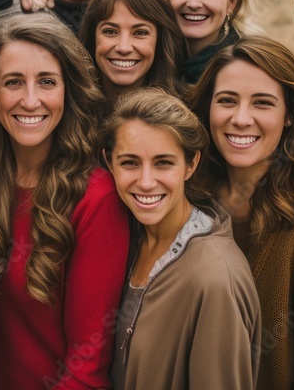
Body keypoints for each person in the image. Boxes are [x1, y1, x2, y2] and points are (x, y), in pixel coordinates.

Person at [185, 35, 294, 389]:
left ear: (288, 118)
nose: (240, 118)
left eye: (263, 103)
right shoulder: (185, 193)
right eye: (227, 101)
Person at [0, 13, 129, 389]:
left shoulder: (96, 200)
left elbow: (87, 367)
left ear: (68, 91)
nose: (31, 100)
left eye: (47, 82)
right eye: (13, 82)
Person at [103, 88, 261, 389]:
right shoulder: (127, 239)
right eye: (130, 163)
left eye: (163, 163)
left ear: (191, 164)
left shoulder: (215, 279)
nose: (146, 182)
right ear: (109, 163)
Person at [77, 0, 183, 104]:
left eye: (140, 33)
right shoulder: (66, 107)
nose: (124, 47)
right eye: (110, 31)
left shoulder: (189, 112)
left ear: (160, 40)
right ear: (92, 37)